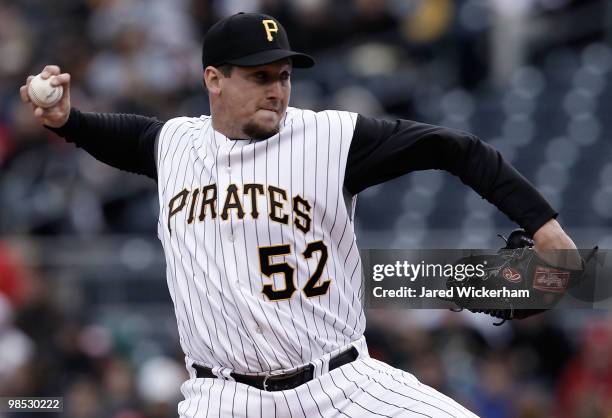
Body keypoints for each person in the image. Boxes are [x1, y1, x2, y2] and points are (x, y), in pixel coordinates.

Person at [21, 12, 578, 418]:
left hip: (342, 386)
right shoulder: (172, 144)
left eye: (284, 76)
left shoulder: (332, 138)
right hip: (225, 399)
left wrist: (546, 228)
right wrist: (67, 120)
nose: (277, 91)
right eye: (259, 77)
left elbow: (455, 148)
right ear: (214, 79)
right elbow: (112, 136)